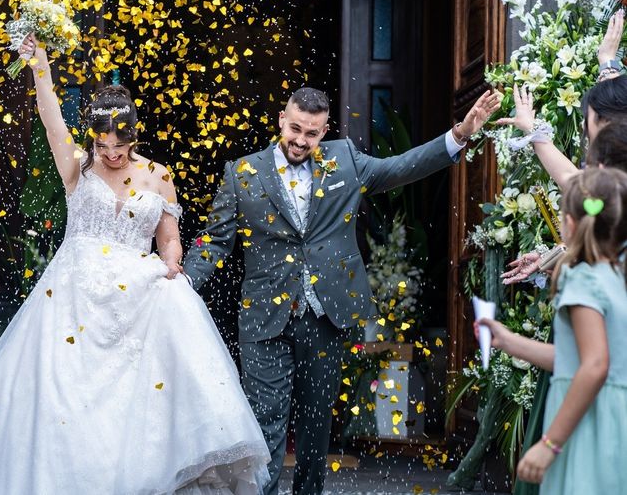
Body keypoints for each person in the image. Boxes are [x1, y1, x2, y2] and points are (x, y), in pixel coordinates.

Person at [0, 36, 271, 494]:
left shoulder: (159, 176)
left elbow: (170, 240)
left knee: (135, 405)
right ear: (94, 139)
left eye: (122, 145)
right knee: (66, 398)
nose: (114, 154)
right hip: (73, 301)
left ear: (135, 136)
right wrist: (40, 64)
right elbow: (51, 119)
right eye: (105, 146)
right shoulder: (77, 167)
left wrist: (172, 266)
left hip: (137, 300)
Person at [182, 86, 501, 494]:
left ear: (325, 130)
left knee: (317, 430)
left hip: (326, 316)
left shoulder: (346, 160)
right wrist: (186, 281)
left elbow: (400, 167)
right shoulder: (241, 173)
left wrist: (458, 134)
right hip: (264, 318)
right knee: (265, 424)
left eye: (311, 133)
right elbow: (215, 239)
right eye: (294, 128)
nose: (300, 140)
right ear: (282, 119)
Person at [475, 167, 627, 493]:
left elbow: (595, 365)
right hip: (613, 420)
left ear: (570, 224)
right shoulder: (615, 277)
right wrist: (508, 340)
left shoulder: (581, 277)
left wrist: (550, 443)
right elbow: (574, 357)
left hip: (588, 423)